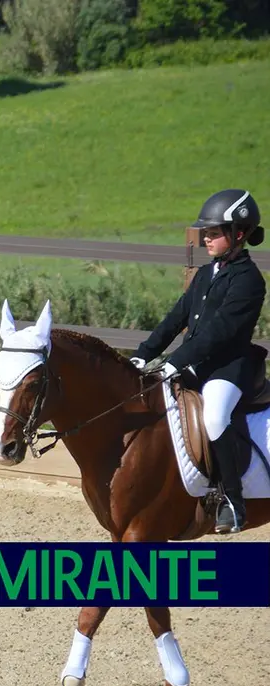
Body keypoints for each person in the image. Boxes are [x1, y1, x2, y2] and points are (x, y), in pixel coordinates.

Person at [131, 189, 266, 533]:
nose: (206, 237)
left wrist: (177, 361)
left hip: (229, 368)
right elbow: (175, 319)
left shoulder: (249, 280)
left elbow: (219, 332)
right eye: (205, 232)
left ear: (238, 234)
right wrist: (142, 354)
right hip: (196, 365)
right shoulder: (206, 274)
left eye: (214, 232)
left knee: (215, 416)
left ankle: (232, 502)